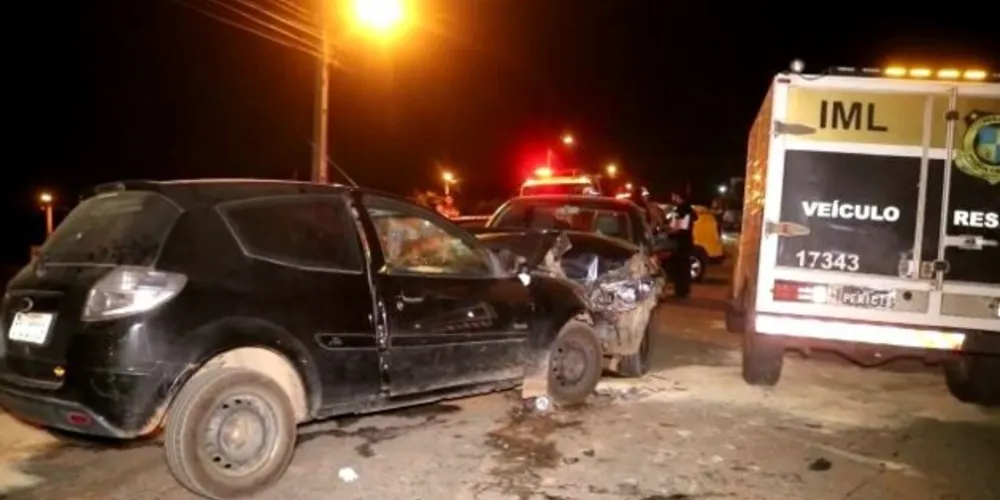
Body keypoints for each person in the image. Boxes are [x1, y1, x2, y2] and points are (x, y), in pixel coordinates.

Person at [667, 189, 697, 298]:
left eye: (673, 196)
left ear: (678, 196)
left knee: (681, 267)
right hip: (685, 241)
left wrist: (671, 232)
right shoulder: (685, 208)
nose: (672, 198)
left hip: (682, 242)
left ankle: (681, 291)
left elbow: (682, 227)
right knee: (683, 266)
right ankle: (682, 290)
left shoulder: (683, 209)